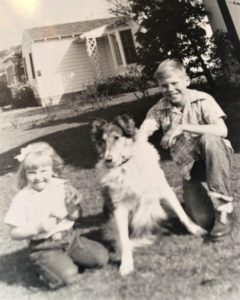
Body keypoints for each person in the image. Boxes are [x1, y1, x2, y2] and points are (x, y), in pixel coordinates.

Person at [138, 59, 234, 240]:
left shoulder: (203, 99)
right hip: (190, 168)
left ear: (187, 81)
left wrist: (183, 127)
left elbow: (222, 130)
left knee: (209, 138)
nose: (170, 89)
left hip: (216, 157)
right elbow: (144, 132)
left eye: (175, 83)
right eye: (164, 86)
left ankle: (224, 208)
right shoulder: (158, 110)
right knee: (203, 221)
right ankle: (193, 204)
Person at [4, 142, 109, 290]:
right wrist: (38, 227)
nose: (38, 177)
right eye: (32, 172)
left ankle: (68, 258)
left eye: (43, 171)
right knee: (69, 276)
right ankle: (44, 265)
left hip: (70, 239)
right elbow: (13, 233)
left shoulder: (61, 187)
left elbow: (75, 216)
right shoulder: (23, 198)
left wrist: (73, 209)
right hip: (45, 246)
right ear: (25, 173)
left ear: (52, 170)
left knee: (101, 258)